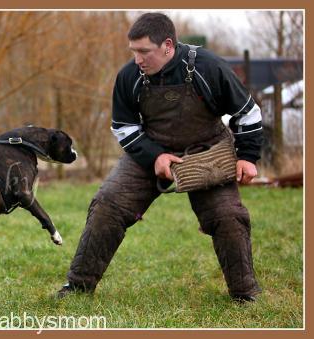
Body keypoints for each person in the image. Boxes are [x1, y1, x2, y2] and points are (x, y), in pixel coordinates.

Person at [57, 12, 263, 302]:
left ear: (168, 45)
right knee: (107, 204)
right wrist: (154, 156)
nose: (138, 59)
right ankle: (78, 286)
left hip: (208, 153)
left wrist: (248, 157)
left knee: (229, 216)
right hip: (151, 151)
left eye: (144, 51)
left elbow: (248, 112)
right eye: (134, 52)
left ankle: (245, 294)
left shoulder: (210, 66)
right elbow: (124, 127)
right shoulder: (129, 76)